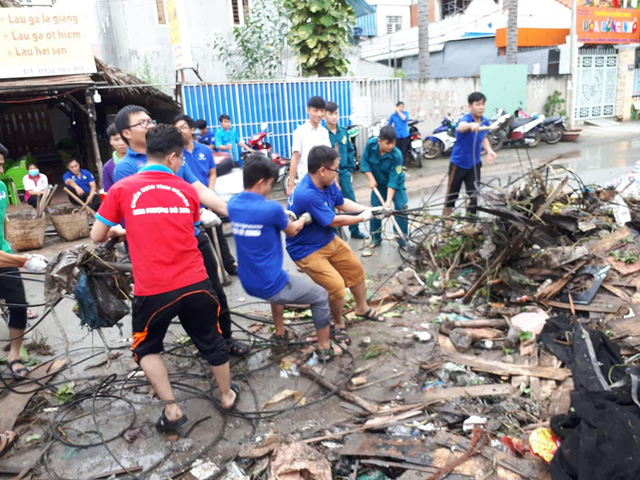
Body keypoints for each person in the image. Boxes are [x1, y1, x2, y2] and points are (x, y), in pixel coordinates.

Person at [91, 125, 239, 434]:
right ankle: (226, 395)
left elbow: (97, 236)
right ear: (172, 156)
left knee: (146, 348)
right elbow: (177, 226)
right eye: (181, 158)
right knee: (211, 340)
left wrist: (122, 228)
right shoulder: (185, 190)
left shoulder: (122, 188)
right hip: (197, 283)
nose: (181, 163)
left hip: (154, 289)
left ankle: (172, 410)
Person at [112, 106, 246, 355]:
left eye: (149, 119)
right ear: (126, 134)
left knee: (214, 293)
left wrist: (230, 211)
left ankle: (224, 340)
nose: (149, 125)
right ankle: (197, 346)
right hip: (159, 251)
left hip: (193, 240)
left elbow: (199, 189)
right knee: (173, 302)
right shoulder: (126, 169)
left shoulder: (171, 154)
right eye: (142, 123)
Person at [229, 155, 342, 360]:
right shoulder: (271, 209)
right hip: (270, 284)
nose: (270, 190)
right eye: (271, 184)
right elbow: (292, 231)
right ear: (261, 182)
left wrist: (284, 216)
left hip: (248, 281)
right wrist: (305, 218)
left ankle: (281, 333)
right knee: (319, 295)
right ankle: (325, 348)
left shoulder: (233, 204)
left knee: (280, 277)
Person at [286, 145, 386, 339]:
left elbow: (342, 203)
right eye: (335, 169)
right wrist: (363, 218)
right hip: (306, 249)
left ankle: (362, 308)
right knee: (336, 287)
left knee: (355, 269)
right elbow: (333, 219)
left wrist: (369, 209)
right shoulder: (306, 193)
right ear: (323, 170)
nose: (337, 173)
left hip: (326, 238)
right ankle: (338, 324)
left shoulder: (327, 182)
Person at [0, 143, 48, 381]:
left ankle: (14, 356)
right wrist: (23, 261)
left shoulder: (0, 187)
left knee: (18, 304)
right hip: (6, 259)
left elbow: (3, 219)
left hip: (4, 254)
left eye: (1, 165)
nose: (0, 171)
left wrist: (11, 246)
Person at [175, 114, 239, 277]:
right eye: (177, 129)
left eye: (183, 127)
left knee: (218, 234)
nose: (180, 131)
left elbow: (212, 173)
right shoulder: (175, 155)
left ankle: (230, 265)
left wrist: (209, 193)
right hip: (187, 204)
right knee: (195, 242)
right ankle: (203, 273)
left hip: (207, 200)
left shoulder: (204, 149)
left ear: (191, 129)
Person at [443, 92, 497, 217]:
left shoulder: (485, 122)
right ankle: (446, 222)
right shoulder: (466, 119)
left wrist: (489, 150)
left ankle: (470, 224)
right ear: (470, 106)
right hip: (458, 164)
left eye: (483, 104)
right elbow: (461, 127)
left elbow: (483, 137)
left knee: (473, 195)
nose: (481, 107)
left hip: (475, 164)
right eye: (478, 104)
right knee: (451, 196)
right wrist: (471, 125)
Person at [324, 102, 366, 240]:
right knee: (331, 202)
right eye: (330, 114)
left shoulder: (343, 131)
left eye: (336, 113)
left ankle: (355, 230)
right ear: (325, 115)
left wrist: (349, 168)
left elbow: (350, 149)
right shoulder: (322, 133)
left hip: (343, 172)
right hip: (329, 175)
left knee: (350, 199)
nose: (334, 117)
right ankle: (334, 233)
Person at [360, 126, 408, 248]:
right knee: (376, 210)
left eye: (393, 143)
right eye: (387, 143)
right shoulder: (371, 145)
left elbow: (393, 180)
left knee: (401, 208)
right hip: (378, 184)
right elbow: (364, 162)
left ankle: (402, 238)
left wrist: (388, 202)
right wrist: (370, 178)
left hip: (396, 185)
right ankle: (375, 238)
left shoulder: (397, 155)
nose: (391, 146)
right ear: (380, 141)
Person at [287, 96, 331, 195]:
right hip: (307, 184)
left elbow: (329, 157)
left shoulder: (324, 132)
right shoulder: (299, 132)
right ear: (308, 110)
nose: (319, 114)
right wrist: (291, 184)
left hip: (324, 183)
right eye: (315, 111)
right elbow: (295, 158)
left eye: (322, 111)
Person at [102, 123, 128, 192]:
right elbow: (108, 192)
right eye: (116, 140)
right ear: (110, 141)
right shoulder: (107, 167)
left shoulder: (141, 159)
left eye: (123, 139)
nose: (121, 143)